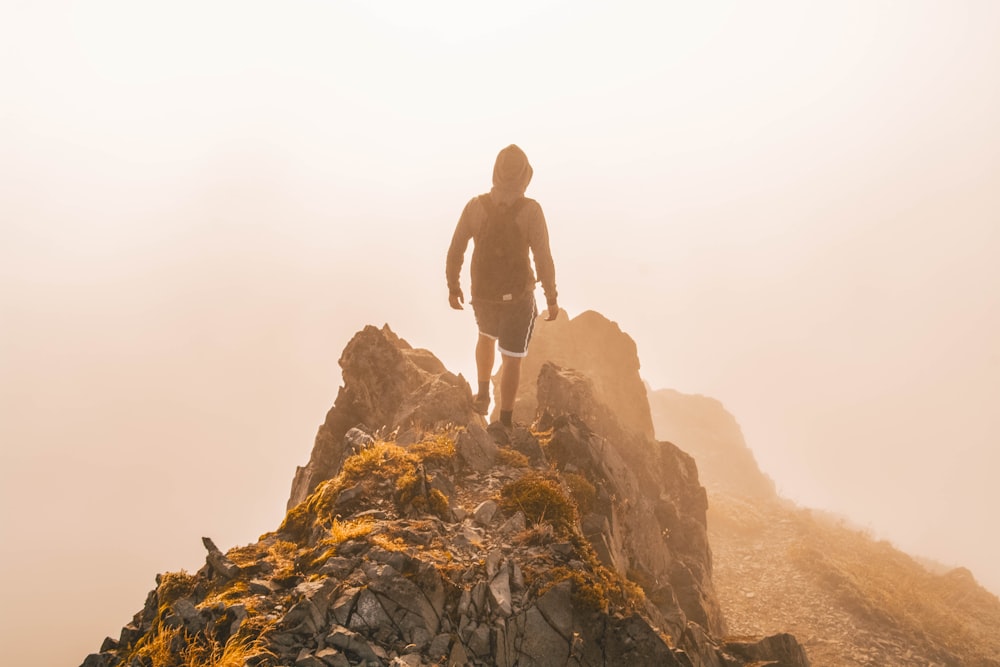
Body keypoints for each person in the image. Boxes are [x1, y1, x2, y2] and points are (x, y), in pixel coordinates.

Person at [446, 144, 559, 430]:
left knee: (485, 336)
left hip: (482, 294)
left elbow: (456, 247)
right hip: (518, 298)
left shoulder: (476, 206)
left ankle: (482, 395)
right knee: (512, 359)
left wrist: (452, 285)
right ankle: (505, 425)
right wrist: (551, 298)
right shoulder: (531, 210)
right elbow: (543, 257)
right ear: (525, 175)